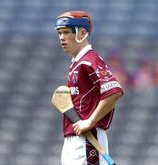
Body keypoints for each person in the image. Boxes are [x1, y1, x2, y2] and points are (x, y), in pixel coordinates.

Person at [55, 10, 123, 165]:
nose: (62, 38)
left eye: (66, 32)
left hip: (87, 140)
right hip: (75, 140)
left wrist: (90, 121)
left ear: (82, 32)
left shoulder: (90, 60)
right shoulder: (77, 63)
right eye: (59, 33)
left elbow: (114, 92)